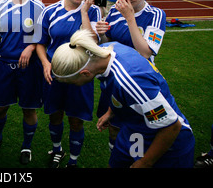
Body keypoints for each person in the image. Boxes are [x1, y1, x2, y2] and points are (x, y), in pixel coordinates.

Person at [50, 29, 195, 168]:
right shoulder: (104, 52)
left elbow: (171, 126)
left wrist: (145, 163)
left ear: (85, 73)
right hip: (135, 128)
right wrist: (111, 112)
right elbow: (118, 91)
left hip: (168, 142)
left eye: (72, 83)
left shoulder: (133, 81)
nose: (73, 86)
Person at [95, 0, 167, 151]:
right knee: (114, 127)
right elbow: (106, 44)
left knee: (137, 130)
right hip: (114, 79)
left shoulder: (156, 15)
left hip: (139, 81)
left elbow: (145, 52)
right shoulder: (114, 11)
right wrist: (102, 32)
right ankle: (115, 155)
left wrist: (130, 18)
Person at [35, 0, 101, 168]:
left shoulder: (95, 10)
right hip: (55, 74)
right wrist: (46, 63)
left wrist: (83, 11)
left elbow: (94, 43)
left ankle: (73, 160)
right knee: (55, 115)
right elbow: (40, 42)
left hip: (81, 76)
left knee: (76, 120)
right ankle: (57, 150)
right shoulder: (49, 11)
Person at [0, 0, 45, 165]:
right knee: (0, 107)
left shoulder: (38, 6)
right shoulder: (1, 4)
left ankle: (26, 145)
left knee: (29, 109)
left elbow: (42, 36)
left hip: (29, 68)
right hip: (4, 65)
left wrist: (29, 47)